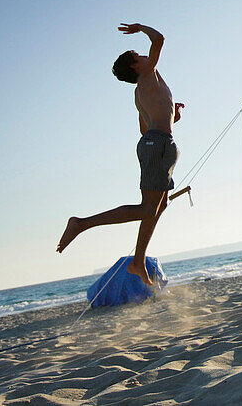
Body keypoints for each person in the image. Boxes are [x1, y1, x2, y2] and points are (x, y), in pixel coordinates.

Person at [57, 23, 183, 287]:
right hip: (156, 145)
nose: (145, 55)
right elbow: (159, 39)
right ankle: (81, 224)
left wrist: (174, 117)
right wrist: (140, 28)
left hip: (160, 143)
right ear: (136, 66)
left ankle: (138, 261)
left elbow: (144, 128)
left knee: (159, 207)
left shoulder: (145, 89)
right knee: (148, 208)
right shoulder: (147, 77)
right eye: (139, 55)